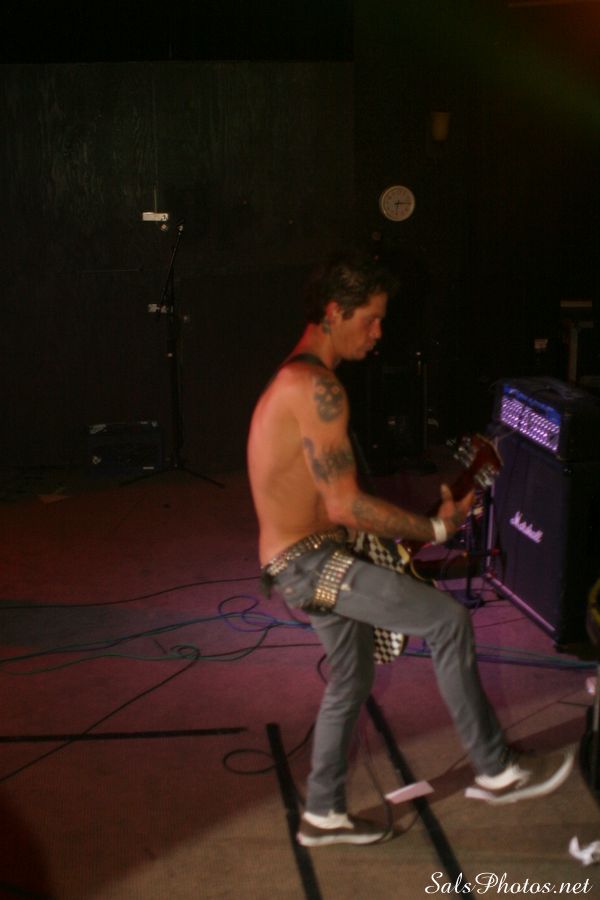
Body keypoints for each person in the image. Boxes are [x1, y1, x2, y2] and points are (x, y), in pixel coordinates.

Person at [246, 251, 573, 848]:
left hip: (300, 560)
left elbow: (332, 505)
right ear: (334, 312)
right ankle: (495, 770)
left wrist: (419, 524)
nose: (379, 332)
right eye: (370, 318)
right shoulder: (316, 388)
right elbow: (344, 505)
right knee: (447, 621)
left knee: (352, 677)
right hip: (311, 563)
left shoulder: (296, 379)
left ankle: (323, 813)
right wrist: (438, 531)